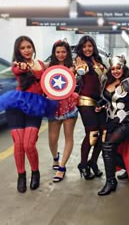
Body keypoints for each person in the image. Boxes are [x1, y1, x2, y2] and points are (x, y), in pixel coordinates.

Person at [0, 36, 57, 193]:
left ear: (33, 47)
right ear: (18, 51)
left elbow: (51, 77)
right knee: (18, 144)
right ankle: (21, 175)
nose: (26, 50)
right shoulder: (16, 66)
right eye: (22, 48)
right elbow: (18, 69)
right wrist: (23, 67)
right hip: (16, 108)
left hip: (34, 108)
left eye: (28, 47)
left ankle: (35, 172)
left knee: (29, 144)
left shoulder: (40, 64)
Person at [97, 55, 129, 196]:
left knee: (108, 146)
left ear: (123, 68)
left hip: (128, 120)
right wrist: (100, 105)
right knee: (111, 149)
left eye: (118, 68)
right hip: (112, 121)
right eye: (113, 69)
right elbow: (107, 100)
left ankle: (111, 182)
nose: (116, 71)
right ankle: (128, 168)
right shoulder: (107, 81)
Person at [74, 35, 107, 180]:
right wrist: (79, 67)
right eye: (84, 46)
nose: (87, 49)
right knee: (92, 134)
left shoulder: (98, 60)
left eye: (90, 46)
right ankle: (83, 164)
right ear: (81, 48)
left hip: (100, 101)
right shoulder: (80, 61)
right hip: (85, 100)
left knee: (103, 134)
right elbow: (80, 69)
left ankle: (92, 162)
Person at [47, 40, 78, 183]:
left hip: (70, 105)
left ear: (67, 53)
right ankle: (55, 158)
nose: (60, 54)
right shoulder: (48, 67)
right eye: (58, 51)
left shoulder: (73, 67)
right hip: (53, 106)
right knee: (52, 138)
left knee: (68, 137)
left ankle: (62, 167)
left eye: (63, 52)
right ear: (54, 52)